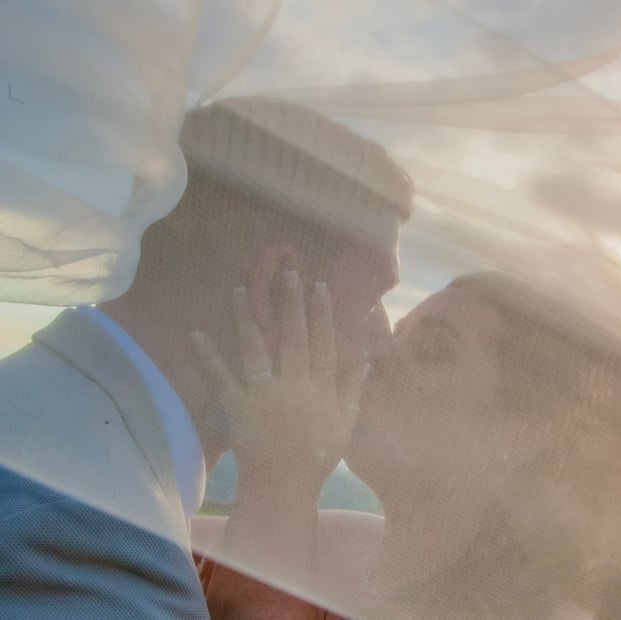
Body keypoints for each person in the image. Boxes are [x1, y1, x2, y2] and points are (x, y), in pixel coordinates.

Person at [0, 96, 412, 618]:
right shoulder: (93, 541)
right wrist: (282, 485)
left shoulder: (45, 414)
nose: (384, 343)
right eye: (373, 299)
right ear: (277, 285)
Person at [197, 272, 621, 619]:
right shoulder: (343, 541)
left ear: (525, 438)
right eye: (397, 334)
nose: (377, 355)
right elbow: (162, 541)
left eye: (433, 349)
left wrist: (279, 482)